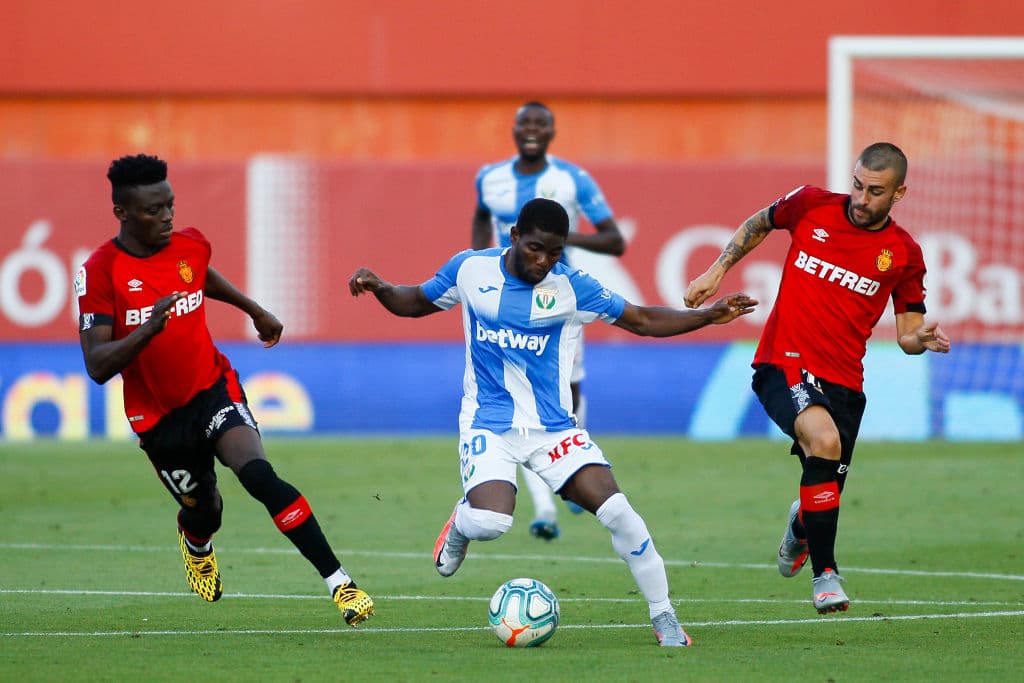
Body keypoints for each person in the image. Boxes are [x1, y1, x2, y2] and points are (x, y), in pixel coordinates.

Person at [350, 197, 757, 646]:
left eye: (554, 253)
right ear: (514, 237)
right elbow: (413, 302)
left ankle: (664, 618)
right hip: (489, 423)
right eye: (535, 249)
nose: (544, 262)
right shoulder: (471, 270)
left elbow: (641, 320)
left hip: (553, 430)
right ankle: (461, 524)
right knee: (491, 523)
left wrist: (708, 316)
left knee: (621, 514)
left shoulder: (572, 287)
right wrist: (380, 285)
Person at [75, 154, 374, 626]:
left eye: (170, 205)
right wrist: (147, 330)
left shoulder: (190, 244)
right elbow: (96, 365)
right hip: (158, 418)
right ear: (123, 213)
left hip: (213, 387)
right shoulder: (99, 272)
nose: (168, 217)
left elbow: (201, 275)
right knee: (205, 509)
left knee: (257, 474)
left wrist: (254, 309)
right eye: (154, 210)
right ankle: (196, 542)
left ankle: (341, 584)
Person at [684, 142, 951, 614]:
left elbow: (908, 331)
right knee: (823, 442)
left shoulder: (903, 254)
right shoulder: (811, 204)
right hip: (781, 361)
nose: (861, 199)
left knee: (822, 484)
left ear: (899, 193)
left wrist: (920, 340)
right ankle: (825, 575)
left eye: (875, 191)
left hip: (845, 381)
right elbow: (760, 222)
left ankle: (802, 526)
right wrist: (717, 269)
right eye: (857, 186)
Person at [472, 101, 627, 541]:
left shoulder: (572, 179)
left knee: (563, 395)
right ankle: (544, 505)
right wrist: (475, 266)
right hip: (501, 302)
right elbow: (481, 216)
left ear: (553, 132)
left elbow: (614, 239)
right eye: (526, 122)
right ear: (515, 129)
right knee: (505, 396)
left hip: (556, 304)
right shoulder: (490, 177)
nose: (533, 130)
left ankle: (571, 461)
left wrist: (554, 237)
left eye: (542, 123)